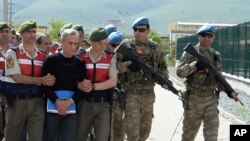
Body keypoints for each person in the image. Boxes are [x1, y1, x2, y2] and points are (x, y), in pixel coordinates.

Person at [176, 24, 237, 141]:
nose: (207, 38)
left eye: (210, 36)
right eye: (204, 35)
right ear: (199, 37)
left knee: (212, 135)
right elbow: (179, 72)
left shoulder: (216, 56)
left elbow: (218, 78)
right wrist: (195, 65)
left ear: (213, 37)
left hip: (211, 100)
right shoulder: (190, 53)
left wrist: (229, 91)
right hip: (194, 99)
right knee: (188, 136)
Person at [116, 17, 169, 141]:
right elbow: (115, 68)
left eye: (141, 30)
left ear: (148, 30)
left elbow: (163, 66)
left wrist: (164, 79)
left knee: (144, 134)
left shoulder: (155, 47)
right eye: (135, 29)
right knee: (132, 134)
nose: (137, 32)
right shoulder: (126, 47)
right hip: (131, 94)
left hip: (149, 95)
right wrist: (128, 65)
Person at [2, 20, 55, 141]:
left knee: (36, 137)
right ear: (21, 34)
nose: (32, 34)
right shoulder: (12, 53)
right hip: (16, 102)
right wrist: (41, 80)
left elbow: (49, 77)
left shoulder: (43, 55)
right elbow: (17, 77)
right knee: (11, 137)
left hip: (37, 102)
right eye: (28, 32)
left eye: (34, 32)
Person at [42, 28, 87, 141]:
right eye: (70, 43)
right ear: (62, 42)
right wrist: (57, 102)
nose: (73, 47)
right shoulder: (51, 60)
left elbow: (82, 87)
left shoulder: (80, 63)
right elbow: (45, 85)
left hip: (71, 108)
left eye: (75, 44)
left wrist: (69, 102)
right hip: (52, 107)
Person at [76, 27, 118, 141]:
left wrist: (93, 87)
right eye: (100, 43)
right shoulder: (79, 56)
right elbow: (71, 79)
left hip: (103, 104)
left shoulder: (111, 57)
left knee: (102, 138)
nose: (103, 46)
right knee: (80, 136)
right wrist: (79, 85)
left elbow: (113, 81)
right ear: (91, 42)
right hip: (84, 104)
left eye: (105, 43)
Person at [107, 31, 125, 141]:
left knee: (119, 128)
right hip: (106, 98)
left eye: (119, 45)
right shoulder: (104, 57)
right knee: (106, 129)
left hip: (120, 97)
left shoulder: (126, 57)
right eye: (114, 45)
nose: (116, 48)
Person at [0, 22, 12, 140]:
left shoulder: (15, 51)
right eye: (1, 31)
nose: (4, 34)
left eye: (7, 31)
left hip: (12, 91)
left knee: (10, 125)